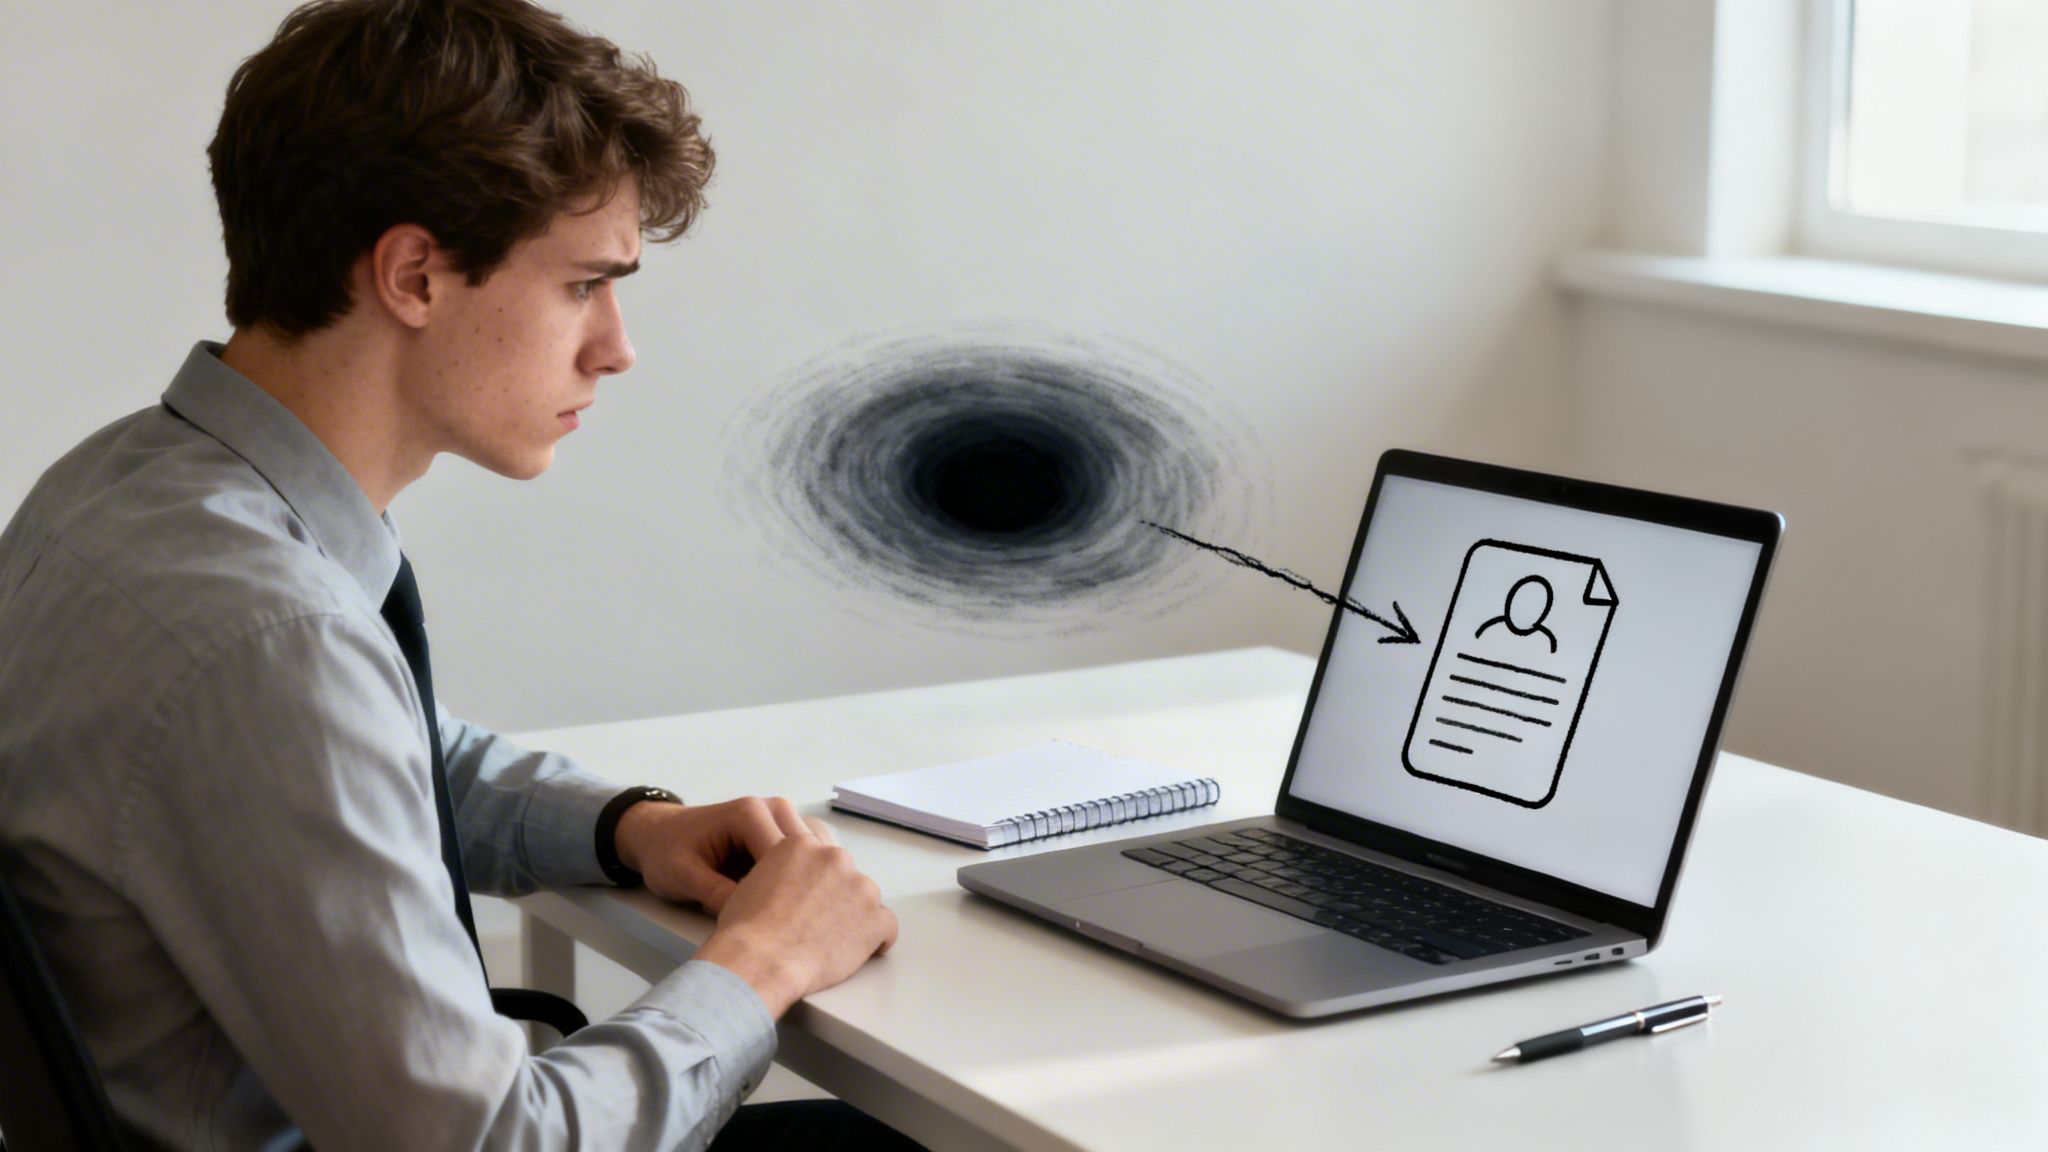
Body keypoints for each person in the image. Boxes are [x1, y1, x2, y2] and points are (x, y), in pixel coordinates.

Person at [0, 0, 914, 1147]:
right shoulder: (269, 640)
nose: (616, 347)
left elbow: (360, 757)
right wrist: (764, 960)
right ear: (415, 275)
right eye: (582, 284)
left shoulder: (118, 491)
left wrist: (624, 827)